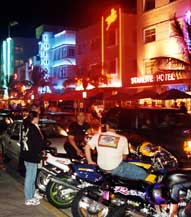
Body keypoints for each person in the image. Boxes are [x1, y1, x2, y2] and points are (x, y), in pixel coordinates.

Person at [20, 111, 44, 205]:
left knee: (31, 176)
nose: (39, 119)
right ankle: (28, 198)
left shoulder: (26, 126)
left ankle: (32, 194)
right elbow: (37, 142)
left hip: (27, 154)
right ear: (34, 118)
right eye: (38, 117)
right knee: (30, 177)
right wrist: (41, 150)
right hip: (31, 155)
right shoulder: (32, 127)